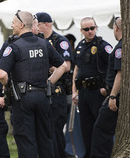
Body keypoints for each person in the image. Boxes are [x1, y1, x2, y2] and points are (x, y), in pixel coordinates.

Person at [0, 10, 68, 158]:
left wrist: (9, 85)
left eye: (14, 23)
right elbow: (64, 66)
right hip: (43, 97)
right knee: (45, 139)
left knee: (26, 140)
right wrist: (49, 82)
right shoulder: (44, 43)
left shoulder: (14, 46)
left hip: (23, 98)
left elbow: (1, 73)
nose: (11, 25)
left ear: (21, 25)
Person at [72, 17, 112, 158]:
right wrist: (74, 91)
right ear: (81, 31)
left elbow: (112, 68)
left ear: (96, 27)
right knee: (86, 128)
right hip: (83, 93)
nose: (90, 31)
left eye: (92, 28)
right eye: (87, 29)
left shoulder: (103, 46)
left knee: (99, 127)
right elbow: (76, 69)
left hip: (98, 92)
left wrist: (107, 89)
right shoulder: (80, 46)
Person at [36, 12, 73, 158]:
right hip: (42, 92)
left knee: (55, 132)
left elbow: (67, 66)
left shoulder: (59, 41)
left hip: (57, 92)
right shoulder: (38, 41)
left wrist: (48, 67)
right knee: (45, 132)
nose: (36, 27)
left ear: (46, 24)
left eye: (37, 24)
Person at [90, 17, 122, 158]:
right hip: (111, 93)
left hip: (116, 96)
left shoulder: (119, 48)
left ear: (116, 28)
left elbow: (120, 74)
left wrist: (112, 96)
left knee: (100, 130)